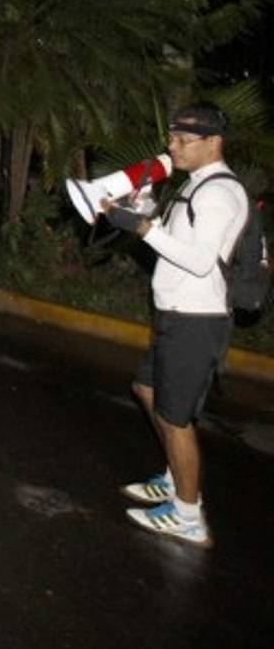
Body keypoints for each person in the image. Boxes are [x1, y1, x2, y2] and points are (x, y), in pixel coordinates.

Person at [102, 104, 248, 546]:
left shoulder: (218, 194)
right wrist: (142, 210)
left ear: (212, 142)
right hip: (174, 315)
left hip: (196, 320)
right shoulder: (195, 185)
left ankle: (188, 515)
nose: (172, 146)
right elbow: (177, 240)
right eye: (172, 137)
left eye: (183, 140)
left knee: (176, 417)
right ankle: (173, 477)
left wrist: (144, 228)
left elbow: (202, 262)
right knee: (146, 389)